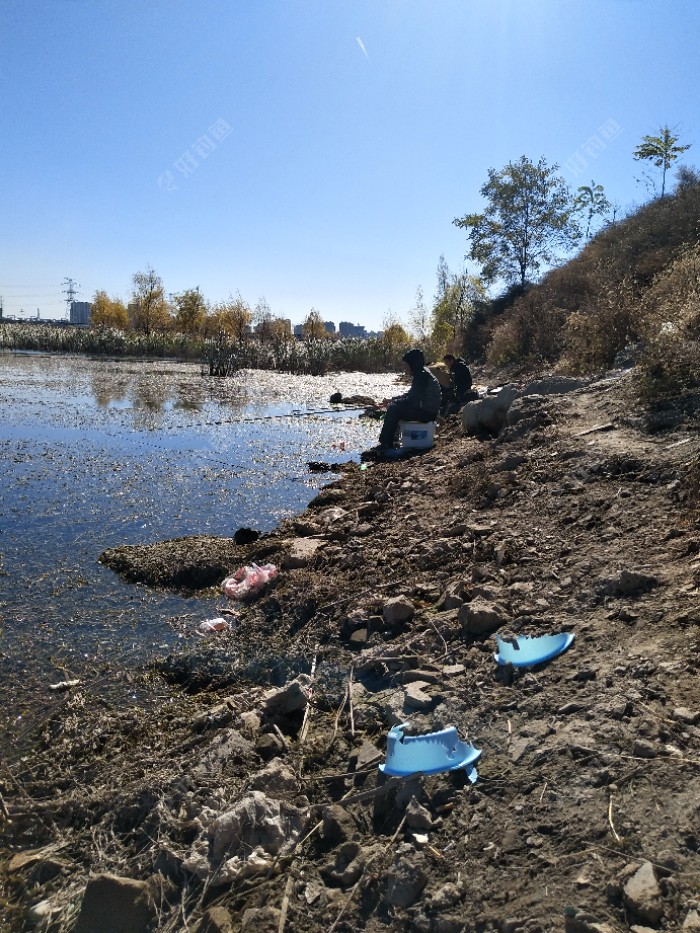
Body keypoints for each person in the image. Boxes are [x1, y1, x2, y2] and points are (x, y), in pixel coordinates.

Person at [377, 348, 442, 450]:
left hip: (427, 413)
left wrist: (393, 404)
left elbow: (412, 400)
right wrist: (392, 400)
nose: (405, 368)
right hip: (428, 411)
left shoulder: (421, 375)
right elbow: (411, 394)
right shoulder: (422, 372)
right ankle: (393, 441)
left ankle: (386, 444)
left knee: (394, 410)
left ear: (413, 364)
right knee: (395, 407)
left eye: (406, 365)